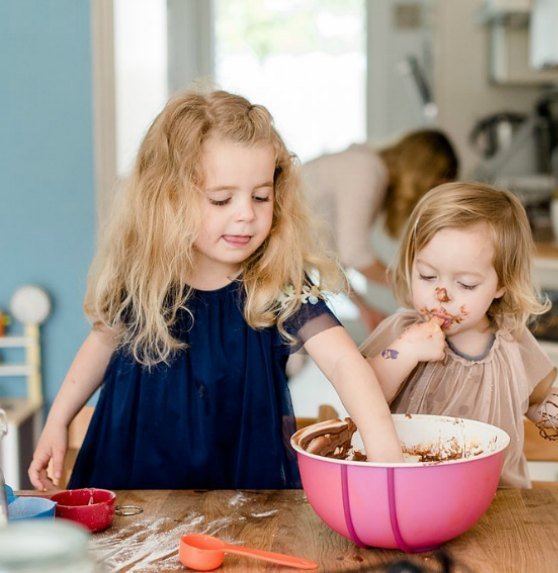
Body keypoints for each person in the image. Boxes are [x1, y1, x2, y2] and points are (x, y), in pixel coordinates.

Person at [28, 89, 403, 492]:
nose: (246, 214)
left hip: (241, 494)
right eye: (222, 199)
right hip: (133, 488)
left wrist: (387, 454)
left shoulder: (277, 284)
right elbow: (101, 346)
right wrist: (56, 422)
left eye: (261, 196)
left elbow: (345, 363)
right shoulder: (144, 280)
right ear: (169, 199)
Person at [360, 182, 558, 488]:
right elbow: (364, 396)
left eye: (467, 284)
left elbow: (537, 403)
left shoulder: (513, 344)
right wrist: (404, 352)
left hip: (499, 503)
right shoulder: (400, 334)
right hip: (413, 496)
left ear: (502, 284)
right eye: (427, 276)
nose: (441, 294)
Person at [301, 129, 459, 332]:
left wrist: (364, 308)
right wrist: (411, 287)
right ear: (422, 171)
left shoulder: (366, 168)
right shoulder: (366, 169)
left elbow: (329, 259)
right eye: (433, 185)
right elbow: (355, 254)